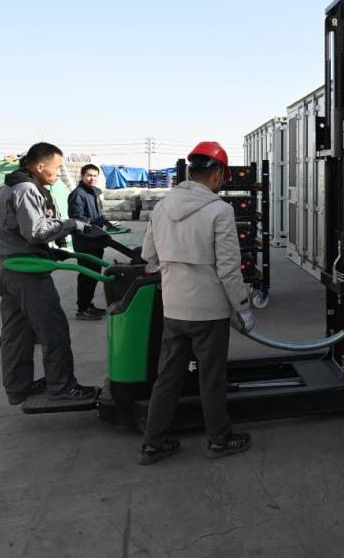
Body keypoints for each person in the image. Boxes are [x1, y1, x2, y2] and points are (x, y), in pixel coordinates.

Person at [137, 141, 253, 465]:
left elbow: (148, 257)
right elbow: (228, 268)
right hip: (209, 312)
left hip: (174, 309)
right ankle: (219, 440)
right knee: (211, 378)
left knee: (168, 377)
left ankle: (152, 444)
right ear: (217, 174)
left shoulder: (162, 207)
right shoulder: (220, 211)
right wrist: (242, 307)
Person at [0, 142, 101, 405]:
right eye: (57, 167)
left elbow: (14, 230)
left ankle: (18, 387)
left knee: (16, 331)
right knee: (53, 327)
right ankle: (62, 386)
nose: (59, 173)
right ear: (40, 166)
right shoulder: (27, 189)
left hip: (7, 265)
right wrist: (71, 225)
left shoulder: (7, 186)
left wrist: (51, 253)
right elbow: (36, 231)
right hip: (25, 270)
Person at [67, 164, 114, 320]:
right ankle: (83, 309)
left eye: (95, 175)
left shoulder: (93, 193)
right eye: (89, 175)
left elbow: (95, 215)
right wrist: (95, 228)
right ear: (82, 176)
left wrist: (105, 222)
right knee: (87, 275)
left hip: (95, 240)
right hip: (86, 242)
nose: (92, 178)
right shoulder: (78, 194)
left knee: (93, 274)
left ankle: (88, 304)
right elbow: (77, 218)